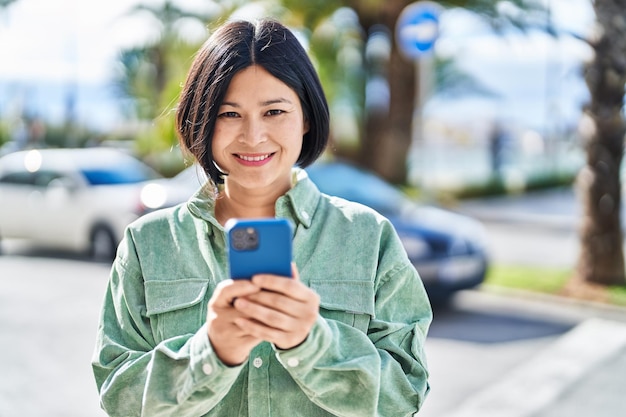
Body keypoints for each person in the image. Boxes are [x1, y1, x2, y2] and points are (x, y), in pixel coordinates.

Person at [92, 18, 432, 417]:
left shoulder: (369, 238)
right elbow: (119, 397)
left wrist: (312, 343)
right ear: (202, 118)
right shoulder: (148, 243)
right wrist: (211, 353)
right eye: (229, 114)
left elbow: (404, 395)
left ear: (306, 117)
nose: (253, 136)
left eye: (274, 111)